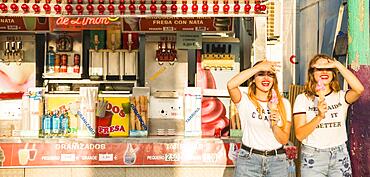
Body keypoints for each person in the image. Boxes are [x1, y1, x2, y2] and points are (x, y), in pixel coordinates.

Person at [293, 54, 364, 177]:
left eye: (328, 68)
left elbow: (359, 89)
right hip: (313, 156)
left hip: (339, 155)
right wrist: (319, 116)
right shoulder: (303, 99)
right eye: (320, 68)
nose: (324, 71)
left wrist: (337, 65)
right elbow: (299, 135)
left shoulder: (341, 96)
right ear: (312, 73)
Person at [228, 59, 292, 177]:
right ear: (253, 79)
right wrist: (257, 68)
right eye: (261, 74)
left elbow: (284, 140)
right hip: (248, 160)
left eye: (270, 75)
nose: (266, 79)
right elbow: (231, 85)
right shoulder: (245, 101)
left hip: (277, 162)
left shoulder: (284, 103)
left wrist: (274, 125)